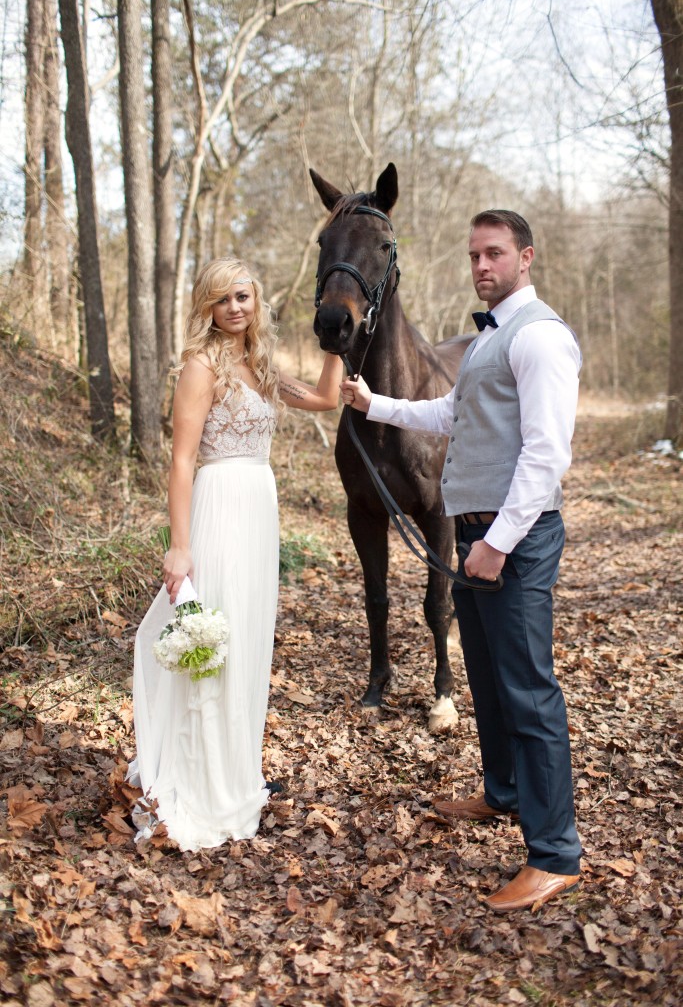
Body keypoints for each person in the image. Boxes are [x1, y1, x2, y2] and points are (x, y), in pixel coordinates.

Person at [340, 210, 583, 912]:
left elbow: (545, 456)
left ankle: (554, 854)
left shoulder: (537, 340)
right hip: (477, 533)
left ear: (525, 258)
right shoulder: (489, 340)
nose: (481, 265)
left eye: (494, 254)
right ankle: (503, 792)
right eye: (474, 254)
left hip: (513, 538)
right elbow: (449, 413)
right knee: (485, 676)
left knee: (529, 694)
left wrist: (496, 544)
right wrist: (372, 403)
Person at [128, 256, 342, 851]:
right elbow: (181, 461)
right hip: (218, 504)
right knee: (212, 638)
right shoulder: (200, 367)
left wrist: (334, 337)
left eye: (243, 297)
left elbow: (327, 398)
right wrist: (179, 544)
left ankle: (240, 771)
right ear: (208, 307)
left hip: (259, 508)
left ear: (257, 301)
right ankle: (203, 780)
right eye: (223, 300)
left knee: (246, 639)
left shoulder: (262, 366)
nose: (235, 308)